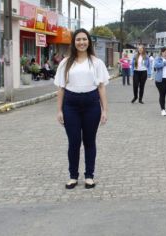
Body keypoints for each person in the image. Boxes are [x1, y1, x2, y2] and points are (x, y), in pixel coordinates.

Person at [54, 28, 109, 189]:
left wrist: (104, 110)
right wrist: (59, 110)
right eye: (78, 39)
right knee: (74, 142)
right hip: (70, 105)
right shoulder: (65, 62)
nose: (81, 42)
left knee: (89, 141)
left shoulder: (96, 62)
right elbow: (61, 88)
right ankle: (73, 176)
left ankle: (89, 176)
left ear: (89, 41)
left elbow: (101, 87)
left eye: (84, 39)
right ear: (74, 42)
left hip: (91, 104)